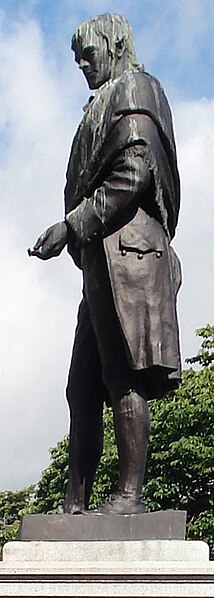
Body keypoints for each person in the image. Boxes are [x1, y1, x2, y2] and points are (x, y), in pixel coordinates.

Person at [29, 13, 182, 514]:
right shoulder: (105, 102)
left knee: (123, 376)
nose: (81, 64)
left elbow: (134, 172)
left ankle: (129, 499)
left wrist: (72, 225)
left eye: (87, 54)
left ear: (114, 47)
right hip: (103, 262)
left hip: (129, 256)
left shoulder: (135, 91)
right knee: (82, 388)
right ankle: (75, 505)